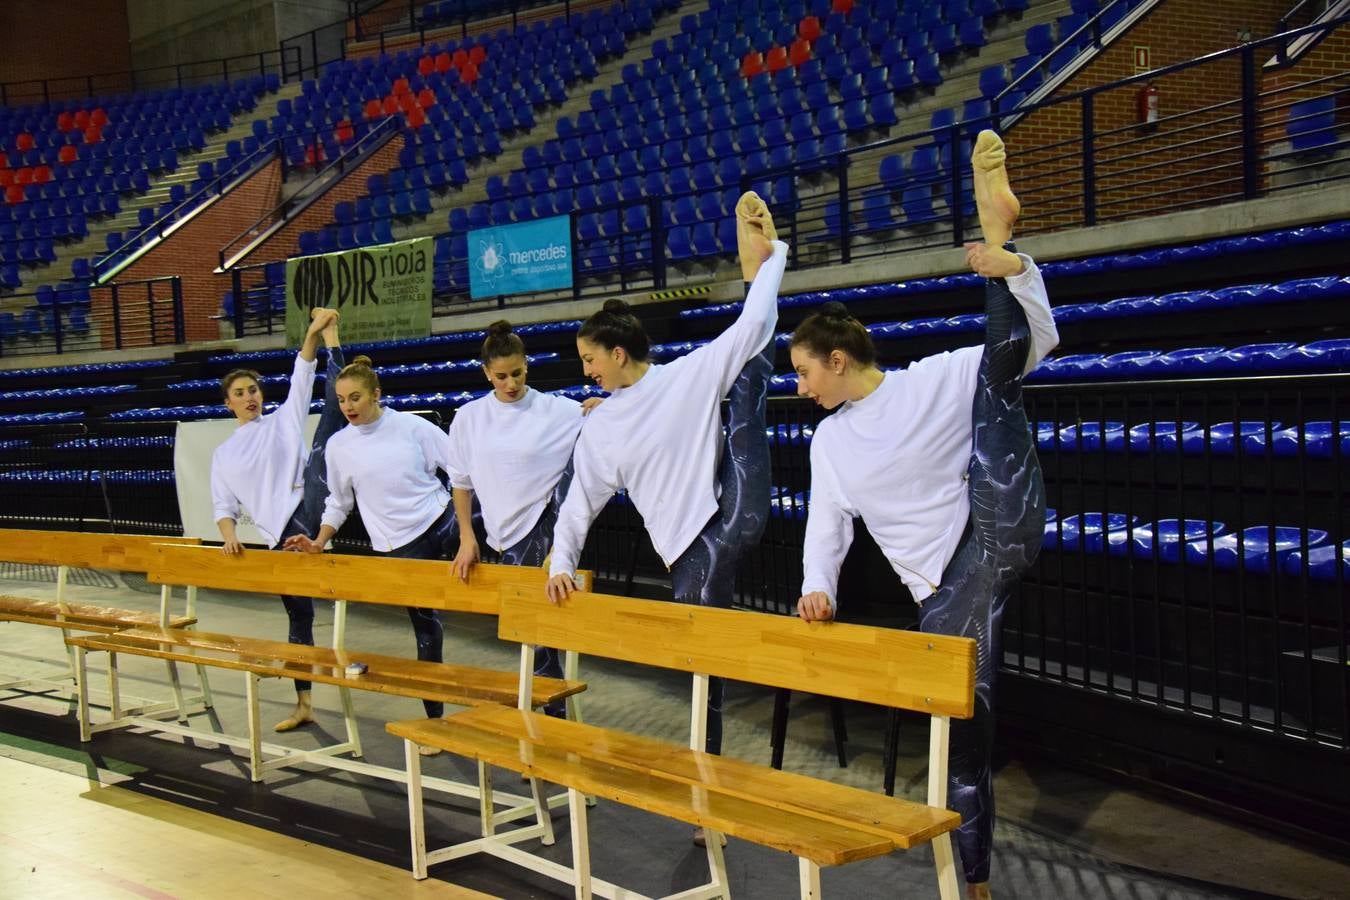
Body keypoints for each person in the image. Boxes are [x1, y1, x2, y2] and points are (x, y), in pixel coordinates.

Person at [791, 130, 1058, 900]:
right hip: (940, 590)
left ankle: (1002, 241)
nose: (802, 387)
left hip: (995, 531)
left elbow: (1032, 348)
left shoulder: (928, 381)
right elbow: (826, 525)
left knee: (996, 383)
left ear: (838, 361)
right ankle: (972, 884)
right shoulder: (829, 441)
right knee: (964, 743)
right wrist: (819, 586)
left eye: (807, 373)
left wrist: (1019, 276)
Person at [545, 192, 785, 767]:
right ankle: (708, 776)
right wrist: (559, 563)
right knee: (703, 669)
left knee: (748, 375)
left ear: (619, 352)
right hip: (686, 551)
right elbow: (579, 504)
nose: (586, 371)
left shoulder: (684, 377)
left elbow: (753, 326)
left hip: (725, 518)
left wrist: (774, 256)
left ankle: (705, 785)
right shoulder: (599, 427)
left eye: (590, 359)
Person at [283, 355, 455, 739]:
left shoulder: (413, 427)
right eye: (342, 400)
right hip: (398, 547)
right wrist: (319, 541)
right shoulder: (339, 446)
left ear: (376, 394)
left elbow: (463, 468)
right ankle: (435, 725)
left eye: (355, 397)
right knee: (426, 629)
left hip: (441, 521)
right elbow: (339, 503)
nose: (348, 407)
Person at [211, 307, 344, 732]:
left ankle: (335, 340)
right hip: (278, 538)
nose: (250, 397)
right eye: (240, 393)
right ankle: (304, 702)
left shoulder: (284, 421)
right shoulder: (224, 453)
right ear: (227, 403)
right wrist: (230, 536)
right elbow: (222, 506)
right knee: (299, 617)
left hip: (307, 514)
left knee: (327, 431)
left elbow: (302, 373)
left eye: (253, 389)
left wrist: (313, 334)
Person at [448, 320, 585, 714]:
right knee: (532, 635)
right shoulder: (469, 417)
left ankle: (551, 728)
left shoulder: (556, 410)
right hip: (499, 534)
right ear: (486, 373)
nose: (510, 383)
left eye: (518, 373)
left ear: (527, 366)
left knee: (539, 633)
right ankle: (549, 726)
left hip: (544, 527)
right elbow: (461, 482)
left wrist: (599, 405)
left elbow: (601, 425)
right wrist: (466, 537)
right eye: (501, 376)